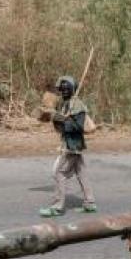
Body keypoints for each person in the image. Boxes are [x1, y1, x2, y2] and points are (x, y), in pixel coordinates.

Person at [41, 75, 98, 217]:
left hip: (73, 145)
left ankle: (57, 206)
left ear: (72, 90)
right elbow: (61, 124)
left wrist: (62, 119)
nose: (63, 91)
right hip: (72, 144)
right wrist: (54, 117)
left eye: (66, 89)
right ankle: (90, 203)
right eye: (62, 89)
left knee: (59, 173)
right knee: (82, 173)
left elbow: (78, 126)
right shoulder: (66, 103)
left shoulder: (77, 105)